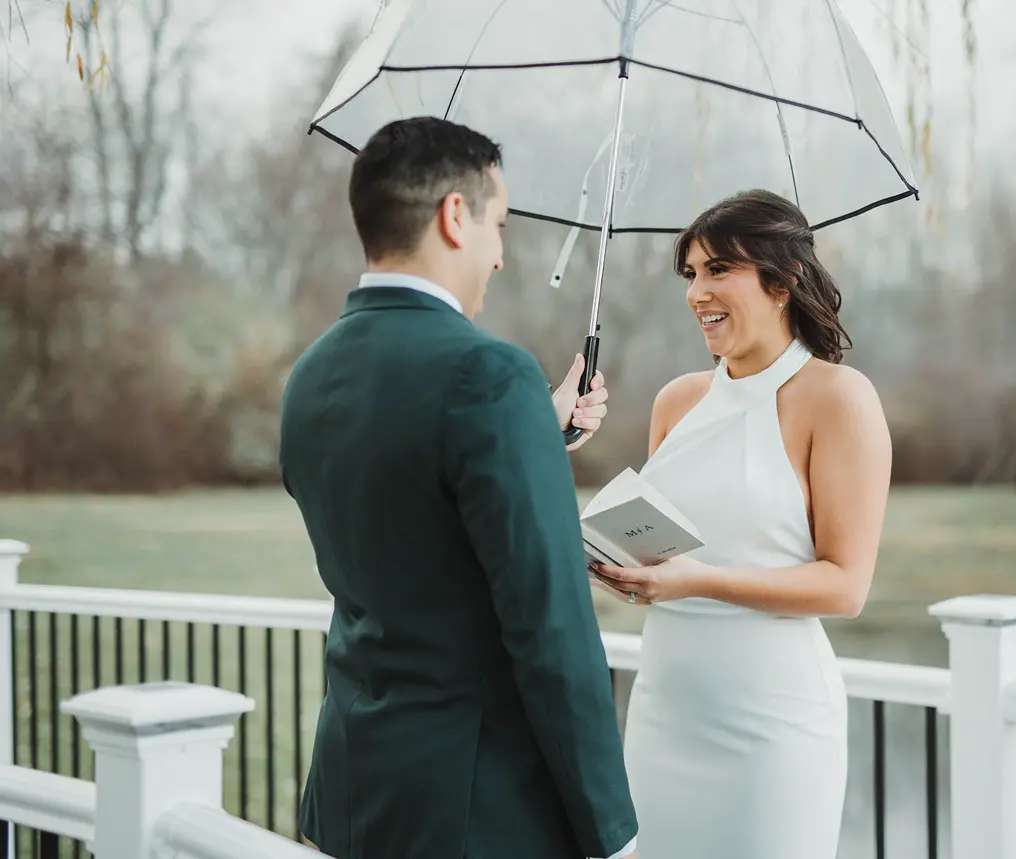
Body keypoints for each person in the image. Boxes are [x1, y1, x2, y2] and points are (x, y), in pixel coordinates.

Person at [279, 116, 638, 859]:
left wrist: (538, 430)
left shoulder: (310, 374)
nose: (501, 256)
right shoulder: (488, 375)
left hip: (355, 789)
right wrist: (612, 831)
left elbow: (411, 494)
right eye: (498, 225)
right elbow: (551, 624)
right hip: (475, 809)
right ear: (453, 216)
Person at [593, 189, 892, 859]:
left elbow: (845, 586)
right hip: (663, 714)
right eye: (691, 273)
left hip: (772, 729)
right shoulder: (676, 401)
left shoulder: (838, 398)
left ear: (781, 282)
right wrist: (629, 569)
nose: (697, 290)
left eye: (719, 269)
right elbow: (661, 546)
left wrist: (698, 581)